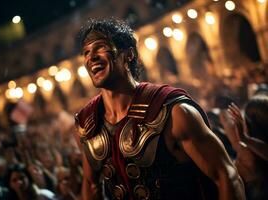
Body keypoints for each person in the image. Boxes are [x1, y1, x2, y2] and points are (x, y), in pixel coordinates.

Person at [74, 18, 245, 200]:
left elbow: (226, 176)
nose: (91, 57)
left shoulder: (173, 112)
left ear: (129, 55)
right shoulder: (88, 123)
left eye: (100, 47)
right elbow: (91, 186)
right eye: (86, 52)